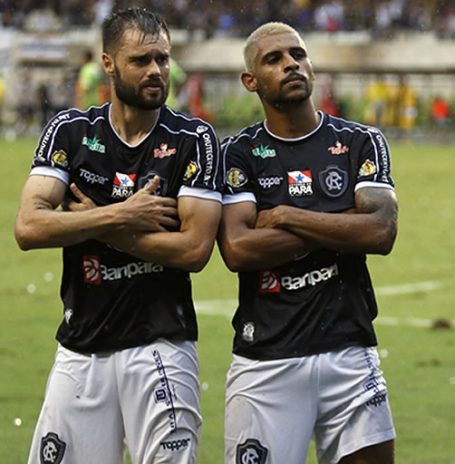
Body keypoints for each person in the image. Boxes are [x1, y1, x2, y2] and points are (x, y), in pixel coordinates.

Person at [14, 8, 223, 463]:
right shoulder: (70, 132)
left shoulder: (195, 139)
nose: (156, 71)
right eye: (141, 60)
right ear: (108, 64)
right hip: (81, 348)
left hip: (161, 347)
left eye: (163, 60)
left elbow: (194, 249)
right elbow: (30, 225)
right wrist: (123, 216)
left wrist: (97, 225)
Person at [217, 22, 398, 464]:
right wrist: (341, 225)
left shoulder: (360, 141)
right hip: (267, 360)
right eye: (273, 60)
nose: (290, 64)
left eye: (297, 54)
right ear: (251, 81)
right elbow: (239, 250)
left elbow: (380, 232)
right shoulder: (236, 154)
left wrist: (284, 216)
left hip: (351, 353)